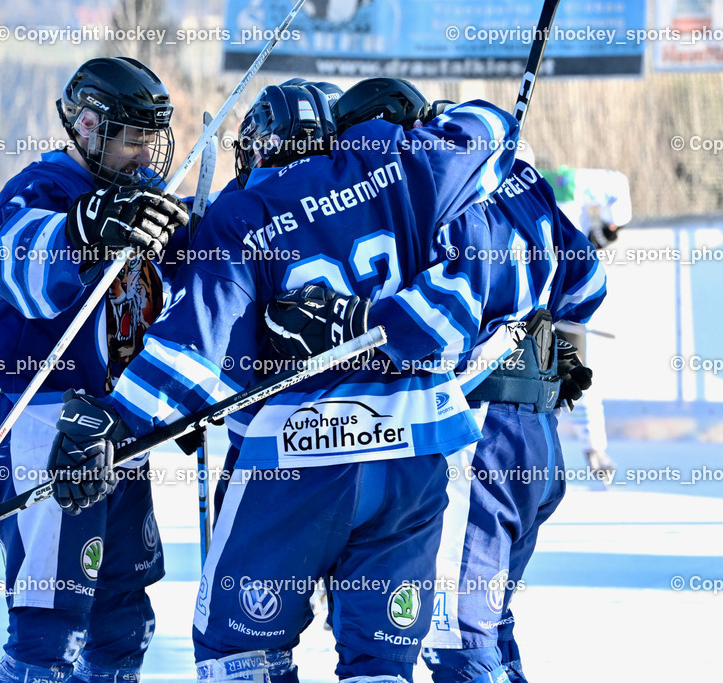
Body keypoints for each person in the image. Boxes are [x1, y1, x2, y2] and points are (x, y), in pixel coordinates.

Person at [48, 81, 521, 682]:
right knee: (381, 659)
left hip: (298, 459)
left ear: (255, 149)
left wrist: (118, 422)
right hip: (416, 458)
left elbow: (194, 351)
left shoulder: (243, 213)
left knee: (237, 650)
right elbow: (495, 130)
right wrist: (421, 118)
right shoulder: (399, 167)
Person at [269, 79, 607, 683]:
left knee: (459, 637)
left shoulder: (436, 202)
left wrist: (350, 320)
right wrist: (559, 347)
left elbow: (442, 323)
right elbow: (587, 283)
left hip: (475, 434)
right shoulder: (520, 181)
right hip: (536, 437)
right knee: (491, 625)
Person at [0, 57, 189, 683]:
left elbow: (176, 300)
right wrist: (80, 233)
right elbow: (17, 271)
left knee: (124, 614)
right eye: (132, 137)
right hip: (48, 426)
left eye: (153, 136)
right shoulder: (39, 189)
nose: (145, 152)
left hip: (119, 430)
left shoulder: (142, 197)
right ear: (89, 128)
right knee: (53, 621)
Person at [542, 165, 631, 478]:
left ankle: (584, 446)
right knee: (574, 367)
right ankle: (595, 448)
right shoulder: (557, 179)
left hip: (533, 292)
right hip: (567, 289)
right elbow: (616, 185)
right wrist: (607, 229)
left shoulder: (496, 178)